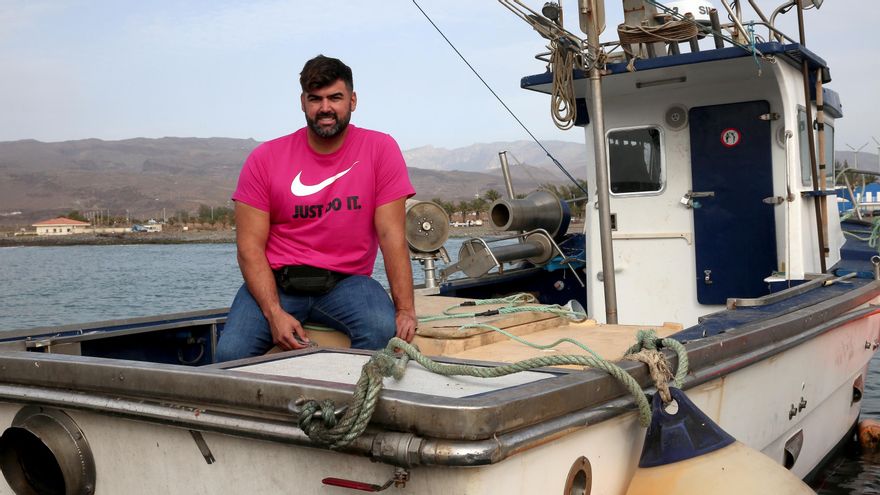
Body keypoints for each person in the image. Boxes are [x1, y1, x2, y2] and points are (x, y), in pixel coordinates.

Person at [215, 55, 416, 362]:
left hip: (347, 283)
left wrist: (405, 310)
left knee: (380, 329)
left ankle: (352, 406)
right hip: (279, 283)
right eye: (315, 99)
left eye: (335, 98)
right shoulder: (265, 158)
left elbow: (391, 236)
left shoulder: (380, 149)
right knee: (229, 354)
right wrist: (274, 314)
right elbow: (249, 248)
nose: (325, 108)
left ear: (352, 100)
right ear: (302, 102)